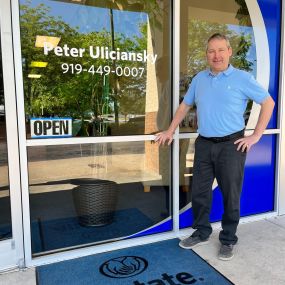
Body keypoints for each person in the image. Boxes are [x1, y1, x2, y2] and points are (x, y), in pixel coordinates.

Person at [154, 33, 275, 261]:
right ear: (207, 54)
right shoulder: (199, 79)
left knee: (231, 194)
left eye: (221, 50)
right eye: (211, 51)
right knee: (199, 192)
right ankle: (202, 232)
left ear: (229, 51)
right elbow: (184, 106)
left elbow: (268, 102)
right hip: (204, 144)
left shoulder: (242, 78)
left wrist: (255, 135)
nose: (216, 55)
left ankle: (228, 239)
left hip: (231, 145)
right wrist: (170, 130)